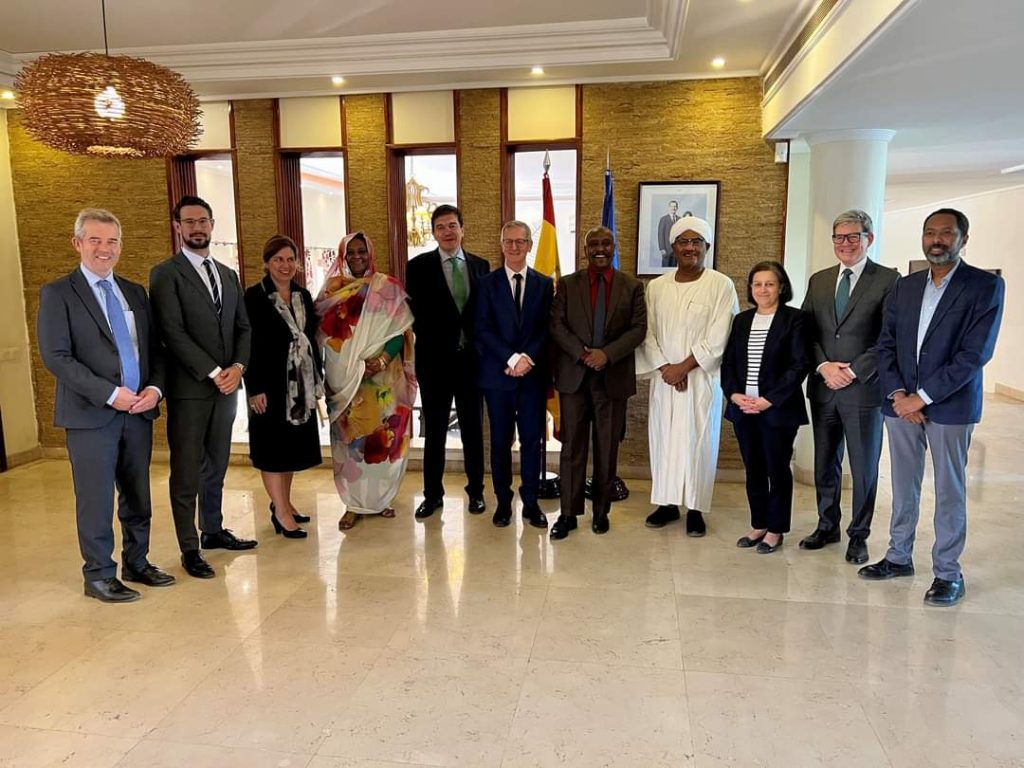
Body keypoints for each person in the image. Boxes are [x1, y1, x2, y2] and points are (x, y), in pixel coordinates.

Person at [860, 208, 1004, 606]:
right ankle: (898, 556)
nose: (936, 239)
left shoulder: (984, 286)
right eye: (929, 232)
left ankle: (947, 573)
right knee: (903, 484)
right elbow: (886, 343)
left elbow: (974, 354)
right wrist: (898, 395)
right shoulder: (905, 287)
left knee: (949, 489)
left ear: (963, 239)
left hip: (950, 406)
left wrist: (921, 397)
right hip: (900, 403)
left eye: (946, 233)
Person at [37, 208, 174, 602]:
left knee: (137, 495)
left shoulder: (134, 292)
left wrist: (154, 389)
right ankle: (98, 574)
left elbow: (155, 350)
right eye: (95, 240)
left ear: (120, 246)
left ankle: (137, 562)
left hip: (138, 412)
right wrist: (110, 393)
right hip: (90, 416)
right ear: (77, 243)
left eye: (112, 241)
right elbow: (57, 357)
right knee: (96, 499)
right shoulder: (58, 294)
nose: (104, 248)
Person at [149, 195, 255, 580]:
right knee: (187, 470)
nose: (197, 228)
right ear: (177, 226)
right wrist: (213, 371)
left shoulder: (228, 274)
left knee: (218, 463)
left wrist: (238, 368)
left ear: (212, 224)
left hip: (227, 389)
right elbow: (171, 332)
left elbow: (243, 327)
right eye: (189, 222)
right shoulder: (166, 274)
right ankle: (189, 548)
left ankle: (212, 529)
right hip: (191, 389)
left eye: (203, 221)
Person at [798, 210, 899, 565]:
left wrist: (854, 371)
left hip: (863, 390)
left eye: (853, 236)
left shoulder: (888, 280)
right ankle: (827, 526)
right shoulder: (820, 280)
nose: (845, 243)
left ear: (869, 238)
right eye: (839, 237)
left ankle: (859, 535)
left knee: (863, 466)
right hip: (824, 386)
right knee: (825, 461)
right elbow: (806, 331)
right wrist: (823, 366)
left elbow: (889, 337)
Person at [636, 215, 738, 537]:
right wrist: (666, 368)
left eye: (696, 242)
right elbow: (646, 332)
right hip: (665, 380)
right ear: (673, 246)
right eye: (683, 241)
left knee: (699, 441)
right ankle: (666, 504)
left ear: (707, 247)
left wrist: (685, 366)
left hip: (700, 380)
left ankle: (695, 508)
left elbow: (721, 334)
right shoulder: (657, 287)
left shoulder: (721, 285)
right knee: (664, 440)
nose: (690, 247)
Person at [549, 226, 647, 539]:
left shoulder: (632, 286)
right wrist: (582, 354)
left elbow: (639, 329)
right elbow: (557, 325)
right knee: (572, 448)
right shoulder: (567, 284)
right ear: (585, 250)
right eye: (594, 244)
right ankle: (568, 514)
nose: (600, 249)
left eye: (606, 243)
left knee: (607, 448)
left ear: (614, 247)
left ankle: (601, 512)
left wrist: (606, 354)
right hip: (575, 378)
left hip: (612, 378)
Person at [317, 232, 417, 530]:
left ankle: (381, 499)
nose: (357, 257)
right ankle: (353, 504)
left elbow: (401, 331)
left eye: (362, 251)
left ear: (370, 253)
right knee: (350, 444)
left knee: (384, 440)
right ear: (342, 256)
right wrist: (347, 366)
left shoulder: (387, 287)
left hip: (382, 382)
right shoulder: (331, 290)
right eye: (351, 252)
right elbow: (323, 335)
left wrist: (382, 359)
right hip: (345, 382)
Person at [404, 204, 490, 520]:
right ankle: (432, 496)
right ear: (434, 233)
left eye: (452, 225)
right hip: (435, 364)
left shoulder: (481, 266)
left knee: (472, 431)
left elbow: (484, 313)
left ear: (462, 229)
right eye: (440, 227)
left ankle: (476, 492)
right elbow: (414, 315)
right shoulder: (417, 267)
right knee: (436, 432)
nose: (447, 232)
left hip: (471, 364)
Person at [722, 261, 809, 554]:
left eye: (769, 284)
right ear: (750, 288)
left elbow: (799, 365)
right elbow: (728, 363)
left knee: (777, 468)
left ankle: (775, 529)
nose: (763, 289)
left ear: (781, 287)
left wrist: (768, 400)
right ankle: (758, 523)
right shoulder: (742, 320)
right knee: (754, 468)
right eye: (757, 284)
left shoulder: (795, 319)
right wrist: (734, 395)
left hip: (777, 409)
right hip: (743, 408)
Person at [243, 235, 323, 540]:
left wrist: (318, 378)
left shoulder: (303, 295)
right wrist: (254, 387)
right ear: (267, 263)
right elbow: (248, 345)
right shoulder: (254, 296)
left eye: (290, 259)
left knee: (289, 450)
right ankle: (281, 512)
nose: (285, 265)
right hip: (269, 385)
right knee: (271, 450)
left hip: (299, 386)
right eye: (278, 259)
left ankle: (284, 503)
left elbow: (311, 338)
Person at [474, 220, 554, 529]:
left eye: (521, 241)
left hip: (532, 377)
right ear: (502, 244)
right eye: (508, 241)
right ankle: (503, 502)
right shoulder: (486, 284)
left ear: (530, 245)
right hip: (498, 377)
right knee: (500, 442)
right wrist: (511, 358)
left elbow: (547, 328)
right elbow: (481, 328)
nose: (514, 246)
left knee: (532, 441)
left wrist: (526, 358)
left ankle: (531, 503)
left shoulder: (544, 284)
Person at [657, 200, 680, 267]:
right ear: (669, 207)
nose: (673, 208)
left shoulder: (679, 219)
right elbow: (660, 235)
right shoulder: (663, 219)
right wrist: (662, 248)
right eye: (672, 206)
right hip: (666, 250)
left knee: (674, 270)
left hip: (676, 250)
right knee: (665, 270)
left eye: (675, 206)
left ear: (677, 208)